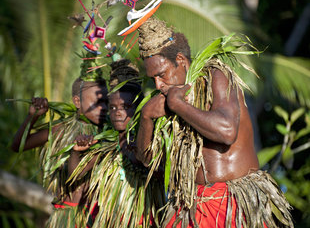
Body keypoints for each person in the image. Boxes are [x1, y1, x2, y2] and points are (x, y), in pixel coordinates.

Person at [134, 17, 294, 228]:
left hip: (234, 204)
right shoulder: (165, 101)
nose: (158, 84)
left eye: (162, 75)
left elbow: (226, 131)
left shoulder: (215, 76)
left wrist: (178, 105)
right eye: (152, 78)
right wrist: (146, 117)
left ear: (180, 60)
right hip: (192, 208)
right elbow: (148, 160)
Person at [70, 59, 165, 228]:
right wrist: (76, 151)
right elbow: (76, 176)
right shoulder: (106, 145)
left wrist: (138, 158)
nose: (118, 113)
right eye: (112, 108)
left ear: (138, 108)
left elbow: (162, 174)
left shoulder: (149, 141)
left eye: (125, 106)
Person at [11, 75, 108, 228]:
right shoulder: (62, 129)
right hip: (67, 216)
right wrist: (32, 117)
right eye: (97, 102)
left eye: (107, 102)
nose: (104, 108)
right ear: (77, 101)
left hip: (99, 217)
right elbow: (18, 146)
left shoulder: (109, 134)